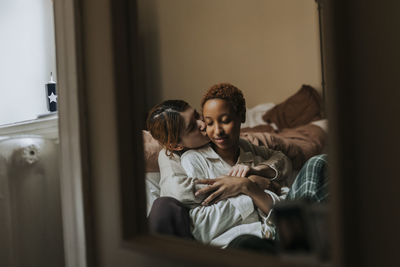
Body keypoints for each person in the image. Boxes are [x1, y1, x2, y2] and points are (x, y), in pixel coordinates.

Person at [147, 85, 292, 247]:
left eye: (197, 116)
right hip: (225, 239)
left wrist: (257, 172)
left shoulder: (239, 144)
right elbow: (179, 192)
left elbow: (281, 159)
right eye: (192, 127)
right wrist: (247, 186)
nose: (202, 124)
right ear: (176, 146)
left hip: (266, 229)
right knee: (162, 208)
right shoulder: (172, 157)